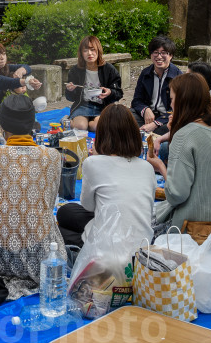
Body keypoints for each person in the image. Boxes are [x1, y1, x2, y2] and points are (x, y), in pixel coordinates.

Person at [0, 93, 66, 299]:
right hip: (41, 255)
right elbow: (48, 206)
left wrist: (2, 225)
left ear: (2, 124)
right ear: (32, 123)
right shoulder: (53, 156)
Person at [56, 103, 156, 247]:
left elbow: (88, 206)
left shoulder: (93, 163)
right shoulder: (147, 167)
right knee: (67, 212)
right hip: (142, 244)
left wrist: (98, 156)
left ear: (101, 133)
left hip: (109, 246)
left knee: (59, 228)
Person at [145, 73, 211, 230]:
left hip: (192, 230)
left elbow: (176, 194)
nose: (170, 105)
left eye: (172, 100)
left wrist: (159, 166)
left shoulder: (185, 135)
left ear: (182, 101)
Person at [65, 35, 123, 131]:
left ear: (98, 50)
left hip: (103, 106)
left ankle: (90, 123)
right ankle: (68, 120)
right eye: (85, 50)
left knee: (97, 127)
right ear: (81, 53)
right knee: (80, 127)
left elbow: (119, 93)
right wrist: (70, 90)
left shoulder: (109, 69)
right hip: (83, 105)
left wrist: (110, 92)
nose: (89, 53)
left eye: (93, 49)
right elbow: (70, 98)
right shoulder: (75, 70)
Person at [131, 37, 182, 134]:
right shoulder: (145, 73)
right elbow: (137, 100)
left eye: (163, 53)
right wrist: (145, 110)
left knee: (166, 129)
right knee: (124, 118)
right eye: (155, 52)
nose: (159, 57)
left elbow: (178, 108)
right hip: (147, 116)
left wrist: (156, 123)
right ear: (151, 55)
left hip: (167, 119)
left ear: (170, 55)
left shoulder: (178, 76)